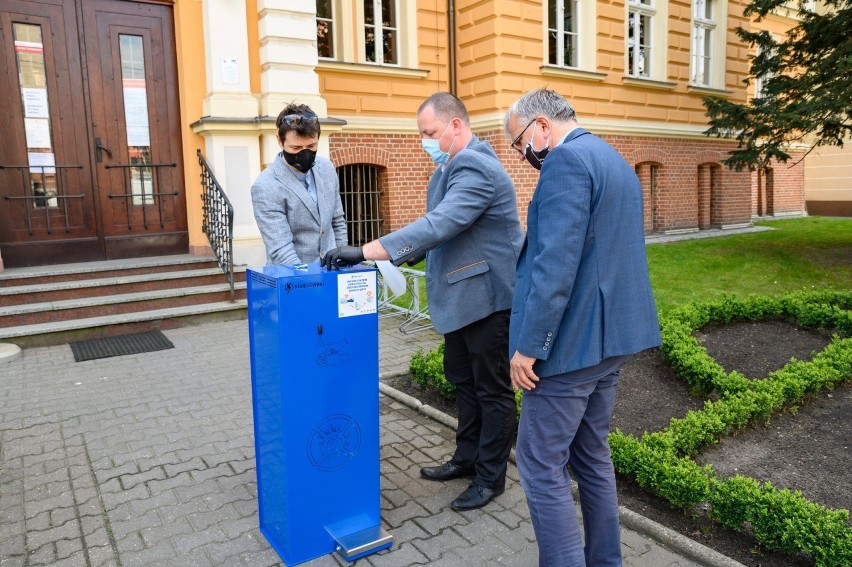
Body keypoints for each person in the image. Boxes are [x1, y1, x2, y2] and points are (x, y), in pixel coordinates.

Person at [322, 92, 524, 511]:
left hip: (488, 298)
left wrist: (365, 251)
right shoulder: (450, 166)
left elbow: (442, 222)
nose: (425, 142)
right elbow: (452, 230)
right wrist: (415, 251)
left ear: (455, 126)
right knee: (464, 384)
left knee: (491, 391)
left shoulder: (475, 165)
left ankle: (491, 478)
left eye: (429, 133)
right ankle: (467, 459)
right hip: (464, 295)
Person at [503, 87, 662, 566]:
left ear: (543, 126)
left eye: (519, 143)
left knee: (538, 462)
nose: (523, 154)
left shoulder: (565, 163)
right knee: (592, 456)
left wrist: (529, 347)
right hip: (610, 341)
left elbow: (555, 267)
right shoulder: (611, 157)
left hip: (570, 349)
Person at [251, 103, 347, 265]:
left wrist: (342, 259)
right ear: (280, 142)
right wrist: (307, 281)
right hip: (293, 279)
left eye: (311, 146)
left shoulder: (327, 168)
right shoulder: (265, 186)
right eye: (296, 147)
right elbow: (281, 247)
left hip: (333, 271)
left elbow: (337, 222)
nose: (305, 153)